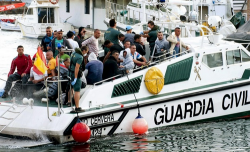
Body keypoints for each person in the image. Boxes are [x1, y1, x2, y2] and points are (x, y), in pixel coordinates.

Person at [69, 46, 88, 112]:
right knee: (77, 91)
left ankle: (69, 102)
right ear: (84, 51)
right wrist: (76, 78)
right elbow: (77, 68)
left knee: (71, 88)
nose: (86, 54)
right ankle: (77, 107)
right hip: (75, 74)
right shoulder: (80, 57)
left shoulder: (73, 53)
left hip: (70, 73)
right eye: (86, 52)